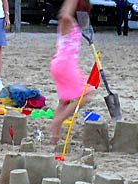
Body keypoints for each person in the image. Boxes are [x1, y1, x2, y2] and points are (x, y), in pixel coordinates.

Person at [49, 0, 91, 145]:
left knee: (64, 101)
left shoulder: (73, 25)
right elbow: (65, 14)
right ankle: (58, 121)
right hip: (65, 64)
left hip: (61, 64)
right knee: (84, 97)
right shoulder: (67, 22)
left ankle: (54, 137)